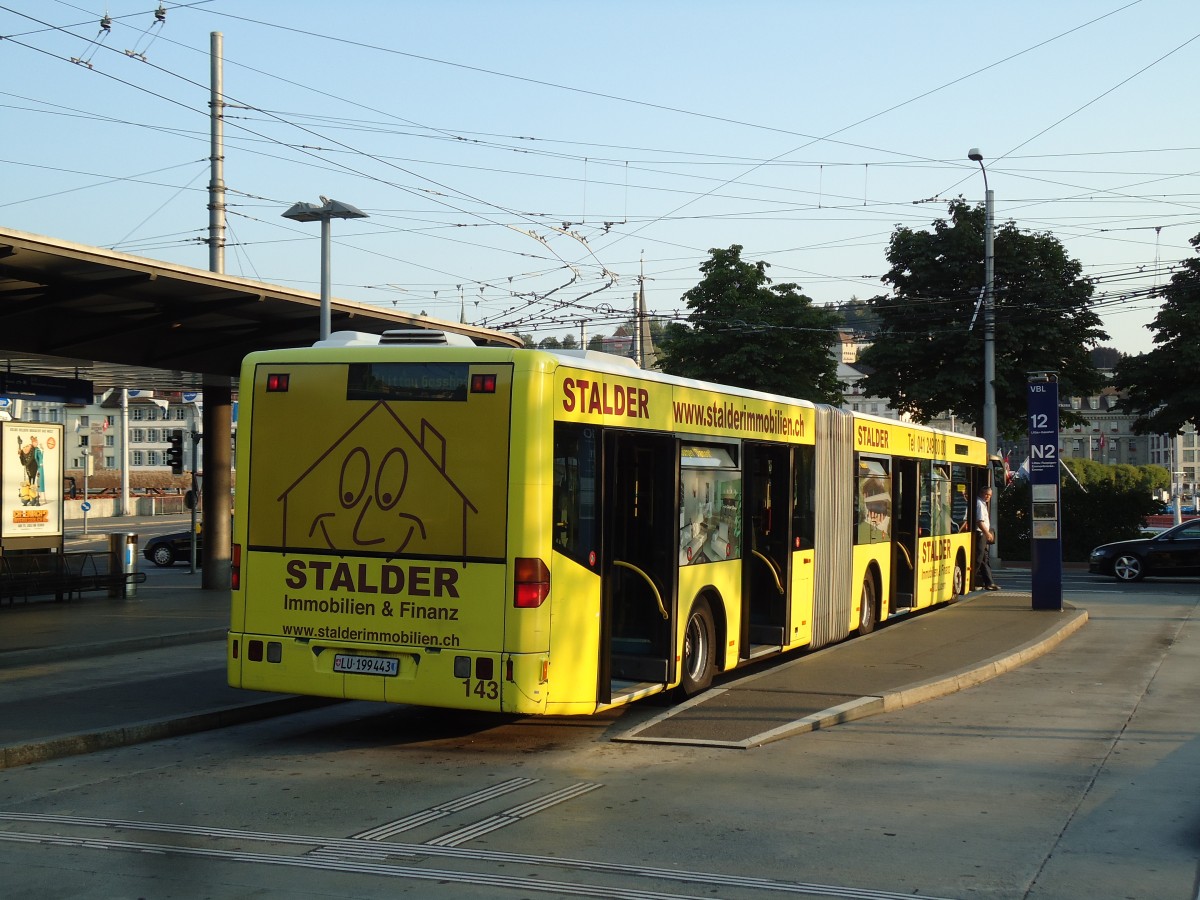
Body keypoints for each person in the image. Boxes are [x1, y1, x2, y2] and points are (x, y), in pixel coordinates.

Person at [974, 486, 1000, 591]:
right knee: (979, 559)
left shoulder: (983, 503)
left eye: (989, 495)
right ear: (981, 493)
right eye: (986, 494)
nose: (988, 497)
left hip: (983, 534)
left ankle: (989, 582)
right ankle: (972, 579)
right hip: (980, 534)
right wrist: (987, 533)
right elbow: (979, 521)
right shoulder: (979, 503)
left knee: (984, 559)